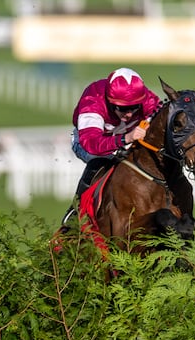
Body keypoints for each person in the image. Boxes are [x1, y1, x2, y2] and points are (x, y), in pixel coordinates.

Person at [63, 67, 162, 225]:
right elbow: (91, 144)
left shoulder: (145, 97)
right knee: (103, 158)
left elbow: (160, 113)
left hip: (127, 138)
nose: (129, 114)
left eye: (134, 108)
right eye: (122, 109)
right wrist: (125, 139)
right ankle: (75, 212)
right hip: (89, 142)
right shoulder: (93, 100)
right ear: (110, 101)